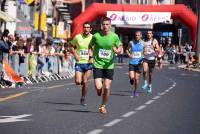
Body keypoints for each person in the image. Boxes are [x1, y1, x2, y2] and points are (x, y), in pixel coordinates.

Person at [89, 17, 122, 114]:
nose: (105, 26)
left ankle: (103, 106)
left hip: (109, 66)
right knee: (99, 87)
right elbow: (90, 46)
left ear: (110, 25)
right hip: (98, 64)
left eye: (107, 24)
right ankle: (99, 90)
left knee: (107, 87)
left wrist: (117, 51)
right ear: (101, 25)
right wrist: (91, 56)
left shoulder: (114, 36)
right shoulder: (96, 36)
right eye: (104, 24)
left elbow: (120, 47)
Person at [71, 22, 93, 106]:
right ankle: (82, 86)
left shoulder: (93, 38)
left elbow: (97, 48)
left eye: (88, 27)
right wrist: (75, 54)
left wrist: (92, 57)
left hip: (88, 63)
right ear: (83, 28)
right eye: (85, 27)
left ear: (90, 29)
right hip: (79, 63)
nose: (86, 29)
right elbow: (71, 46)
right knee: (78, 81)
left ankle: (83, 97)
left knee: (85, 81)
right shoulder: (77, 37)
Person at [126, 31, 144, 97]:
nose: (137, 36)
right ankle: (131, 79)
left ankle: (135, 91)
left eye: (138, 35)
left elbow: (145, 52)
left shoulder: (143, 43)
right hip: (132, 62)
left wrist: (143, 57)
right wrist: (129, 55)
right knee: (132, 77)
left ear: (141, 36)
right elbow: (127, 50)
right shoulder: (131, 42)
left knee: (136, 78)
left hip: (139, 63)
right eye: (136, 35)